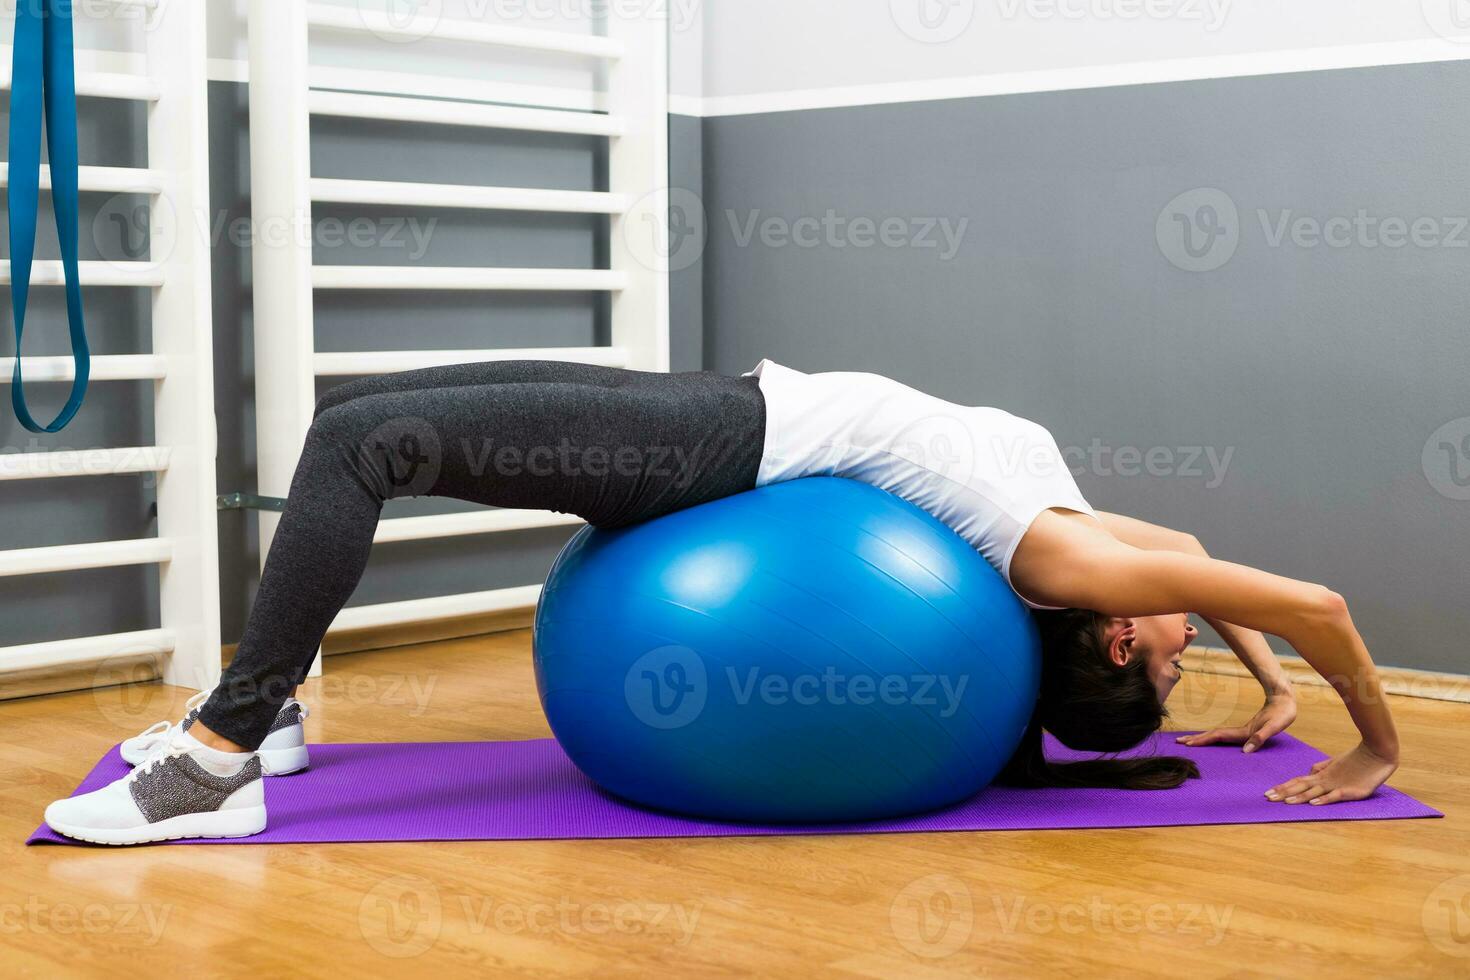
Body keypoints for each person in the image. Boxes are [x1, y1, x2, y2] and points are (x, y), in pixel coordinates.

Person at [43, 359, 1398, 844]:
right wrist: (1274, 684)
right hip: (726, 416)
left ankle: (218, 752)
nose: (1194, 648)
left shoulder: (1081, 569)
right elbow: (1230, 569)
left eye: (1176, 666)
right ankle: (271, 717)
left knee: (361, 448)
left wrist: (1370, 741)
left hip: (714, 452)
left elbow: (1313, 597)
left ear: (1115, 633)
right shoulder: (1097, 541)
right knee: (362, 424)